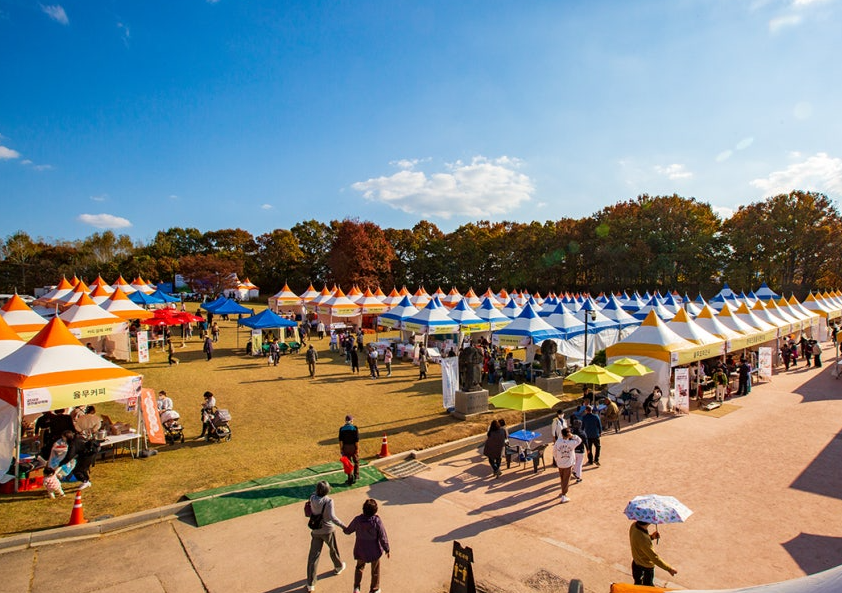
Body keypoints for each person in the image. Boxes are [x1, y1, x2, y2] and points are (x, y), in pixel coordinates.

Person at [305, 481, 347, 592]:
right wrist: (343, 526)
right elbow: (332, 517)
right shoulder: (328, 501)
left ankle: (310, 583)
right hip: (328, 530)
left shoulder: (312, 498)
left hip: (316, 530)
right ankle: (338, 566)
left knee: (313, 557)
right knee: (333, 549)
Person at [343, 498, 390, 593]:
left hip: (361, 549)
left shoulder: (358, 520)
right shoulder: (377, 521)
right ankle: (374, 589)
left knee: (359, 567)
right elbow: (382, 536)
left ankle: (356, 587)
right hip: (374, 550)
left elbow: (349, 530)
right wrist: (387, 549)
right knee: (375, 570)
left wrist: (344, 528)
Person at [629, 520, 678, 586]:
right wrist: (669, 568)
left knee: (638, 584)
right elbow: (654, 558)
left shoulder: (634, 526)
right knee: (647, 588)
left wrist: (651, 537)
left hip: (636, 563)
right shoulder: (644, 539)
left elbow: (639, 541)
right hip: (645, 568)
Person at [552, 427, 581, 503]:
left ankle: (563, 492)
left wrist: (557, 459)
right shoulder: (571, 443)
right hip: (568, 464)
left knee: (562, 479)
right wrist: (572, 436)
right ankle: (564, 495)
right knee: (566, 480)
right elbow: (579, 440)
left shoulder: (558, 442)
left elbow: (554, 451)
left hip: (560, 463)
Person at [339, 415, 360, 484]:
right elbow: (356, 440)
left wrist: (341, 449)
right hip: (353, 447)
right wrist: (357, 449)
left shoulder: (341, 429)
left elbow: (340, 441)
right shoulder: (355, 428)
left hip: (345, 447)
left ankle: (350, 478)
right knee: (356, 461)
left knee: (347, 463)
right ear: (351, 421)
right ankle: (356, 476)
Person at [570, 417, 587, 483]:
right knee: (579, 464)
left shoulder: (572, 433)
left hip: (573, 450)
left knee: (574, 462)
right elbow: (586, 442)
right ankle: (578, 477)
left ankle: (574, 471)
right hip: (581, 451)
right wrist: (588, 450)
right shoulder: (582, 433)